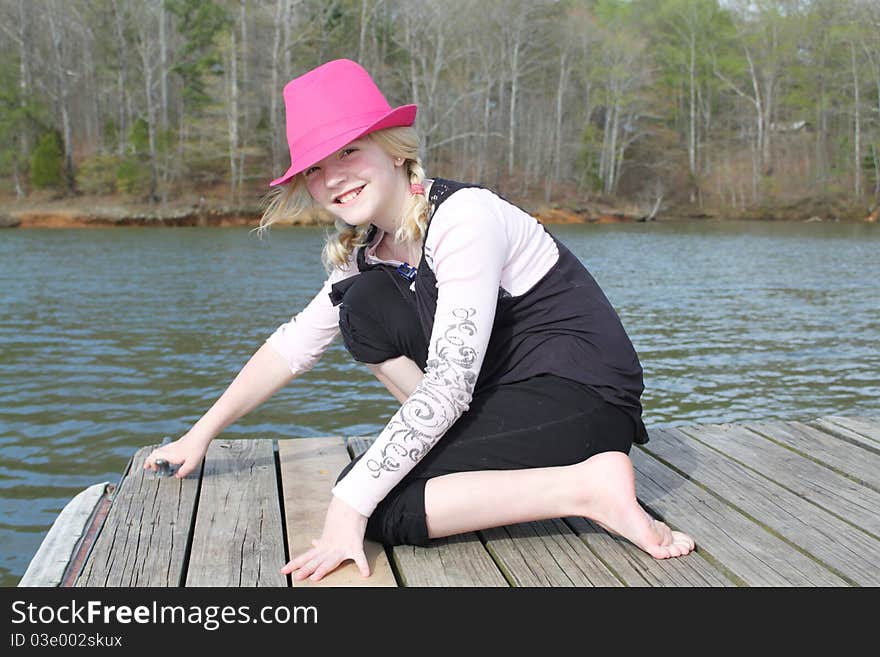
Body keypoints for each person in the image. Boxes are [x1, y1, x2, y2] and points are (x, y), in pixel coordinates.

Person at [144, 59, 694, 582]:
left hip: (582, 398)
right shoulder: (370, 254)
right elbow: (293, 346)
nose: (333, 179)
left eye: (349, 152)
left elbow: (451, 383)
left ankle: (587, 488)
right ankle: (485, 459)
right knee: (361, 307)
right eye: (315, 169)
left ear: (393, 150)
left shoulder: (464, 218)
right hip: (500, 397)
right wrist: (200, 436)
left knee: (376, 503)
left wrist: (349, 502)